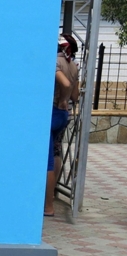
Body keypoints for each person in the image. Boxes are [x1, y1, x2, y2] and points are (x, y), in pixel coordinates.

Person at [45, 34, 79, 217]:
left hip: (52, 112)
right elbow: (76, 95)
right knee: (56, 153)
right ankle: (52, 195)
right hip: (63, 115)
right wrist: (66, 99)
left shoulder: (55, 62)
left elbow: (65, 84)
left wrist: (61, 98)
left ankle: (48, 206)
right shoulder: (73, 65)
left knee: (47, 162)